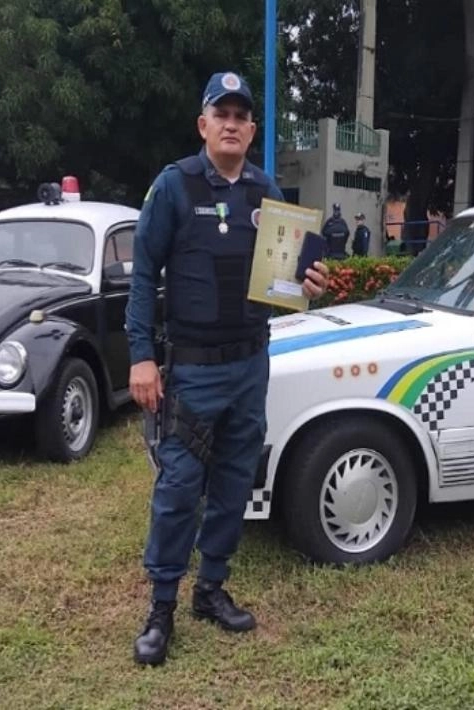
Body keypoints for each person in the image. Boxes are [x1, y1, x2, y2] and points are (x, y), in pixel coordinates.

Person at [125, 70, 329, 667]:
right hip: (190, 371)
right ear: (203, 125)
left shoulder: (269, 193)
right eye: (223, 113)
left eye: (242, 114)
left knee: (236, 483)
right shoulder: (175, 188)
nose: (233, 123)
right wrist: (141, 356)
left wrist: (310, 284)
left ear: (252, 128)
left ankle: (210, 589)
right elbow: (141, 277)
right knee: (179, 489)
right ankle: (162, 605)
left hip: (250, 364)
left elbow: (290, 282)